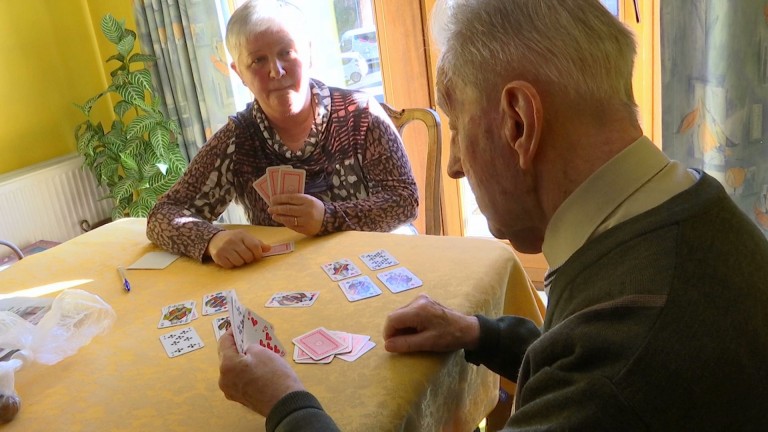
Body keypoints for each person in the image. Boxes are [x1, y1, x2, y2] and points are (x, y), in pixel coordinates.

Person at [217, 0, 768, 430]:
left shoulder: (620, 366)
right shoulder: (686, 208)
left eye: (456, 128)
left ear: (518, 121)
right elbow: (588, 357)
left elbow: (612, 374)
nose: (453, 166)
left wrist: (286, 403)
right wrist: (480, 333)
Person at [147, 0, 418, 269]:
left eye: (286, 52)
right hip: (286, 279)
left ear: (308, 53)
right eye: (257, 60)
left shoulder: (360, 114)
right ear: (238, 72)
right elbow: (162, 215)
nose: (276, 71)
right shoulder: (237, 139)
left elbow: (404, 201)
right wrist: (213, 239)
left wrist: (329, 217)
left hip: (373, 269)